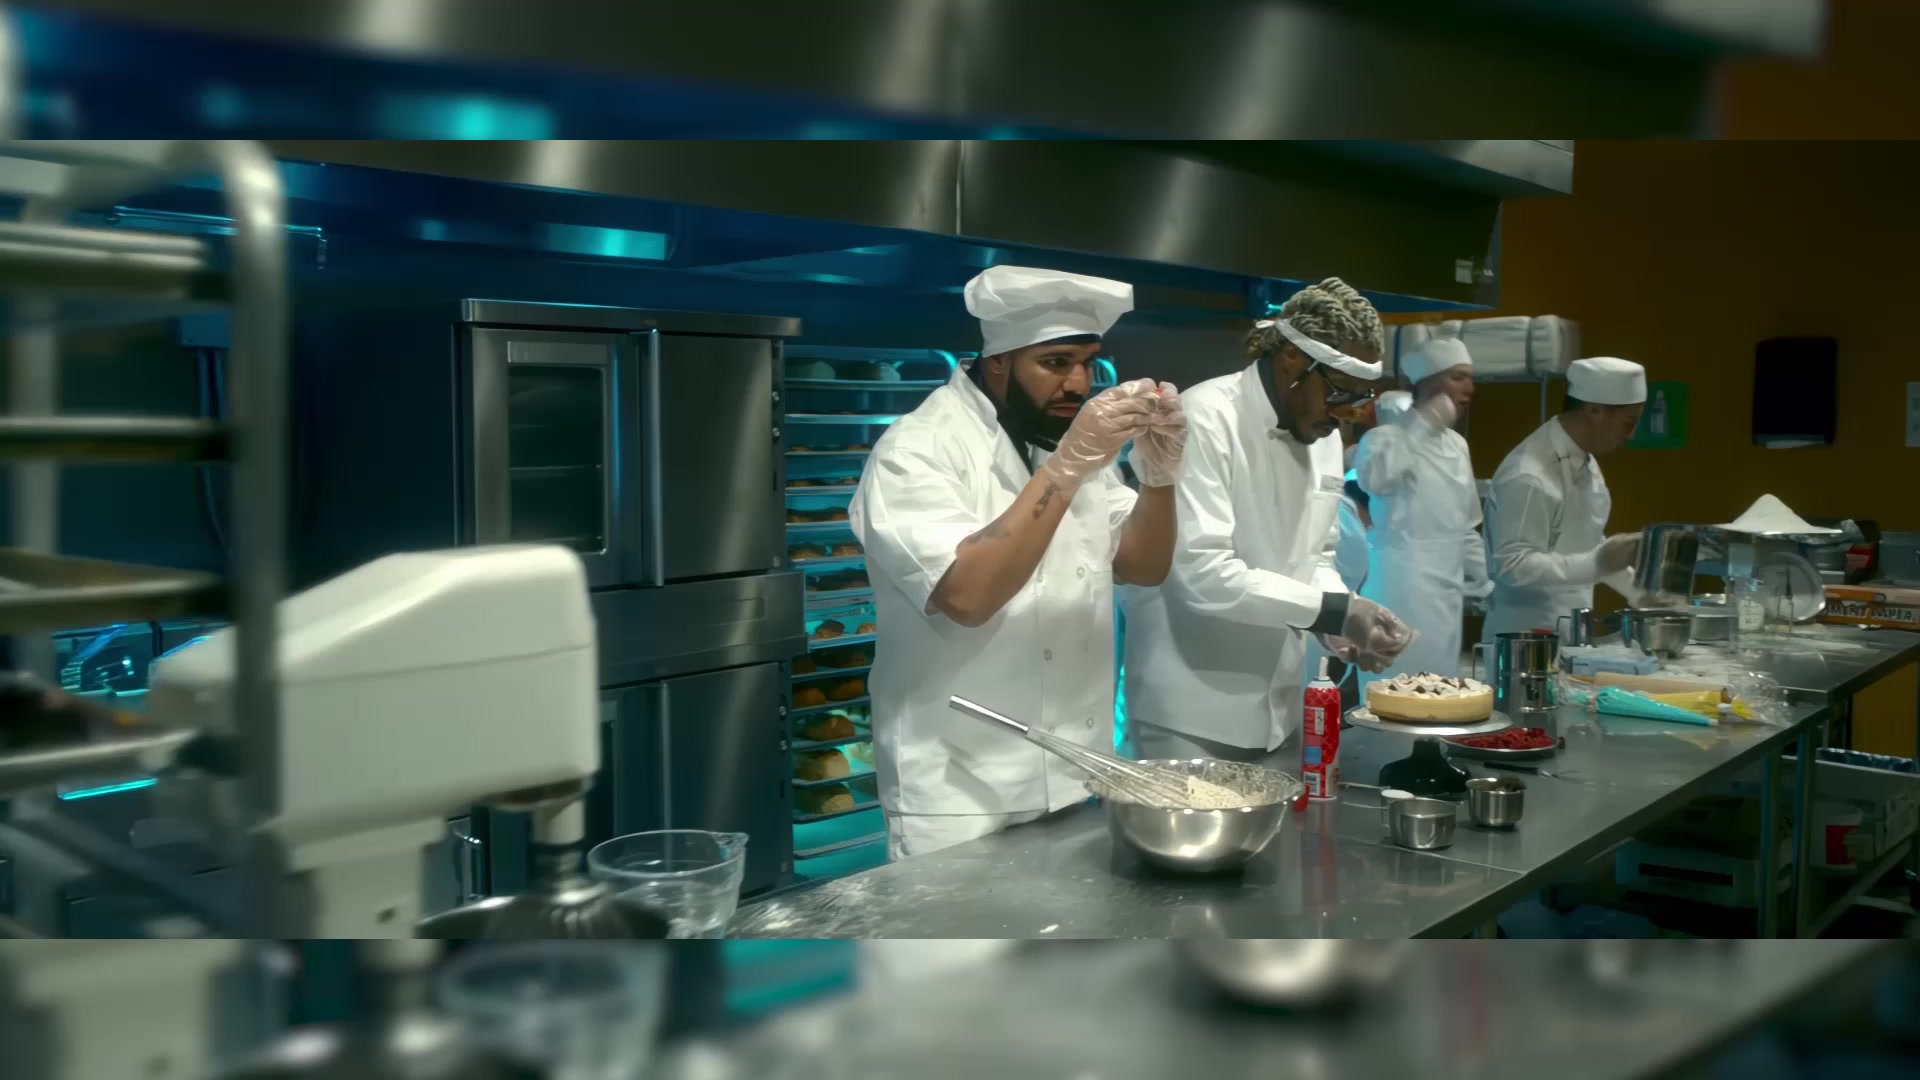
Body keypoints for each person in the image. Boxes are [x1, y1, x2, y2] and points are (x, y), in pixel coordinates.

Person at [851, 265, 1186, 860]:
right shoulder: (917, 449)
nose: (1077, 384)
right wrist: (1067, 469)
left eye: (1087, 363)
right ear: (999, 361)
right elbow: (967, 595)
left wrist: (1160, 478)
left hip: (1077, 773)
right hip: (959, 791)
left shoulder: (1063, 444)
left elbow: (1142, 565)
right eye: (1055, 363)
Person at [1122, 278, 1413, 766]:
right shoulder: (1205, 417)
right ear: (1292, 358)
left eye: (1360, 397)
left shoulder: (1323, 434)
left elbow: (1316, 555)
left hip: (1280, 708)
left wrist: (1343, 621)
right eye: (1340, 391)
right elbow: (1202, 574)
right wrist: (1333, 611)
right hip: (1189, 713)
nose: (1347, 413)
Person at [1482, 356, 1648, 641]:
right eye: (1628, 423)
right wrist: (1598, 562)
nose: (1631, 435)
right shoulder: (1530, 474)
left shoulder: (1583, 460)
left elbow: (1583, 542)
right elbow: (1512, 565)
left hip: (1570, 632)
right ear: (1594, 410)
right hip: (1524, 644)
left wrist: (1640, 592)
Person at [1353, 336, 1485, 682]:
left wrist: (1487, 582)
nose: (1469, 388)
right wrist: (1422, 425)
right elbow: (1375, 479)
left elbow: (1466, 527)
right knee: (1394, 691)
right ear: (1426, 383)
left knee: (1442, 691)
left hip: (1448, 596)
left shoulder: (1458, 445)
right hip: (1401, 589)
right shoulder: (1385, 438)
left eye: (1470, 378)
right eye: (1458, 377)